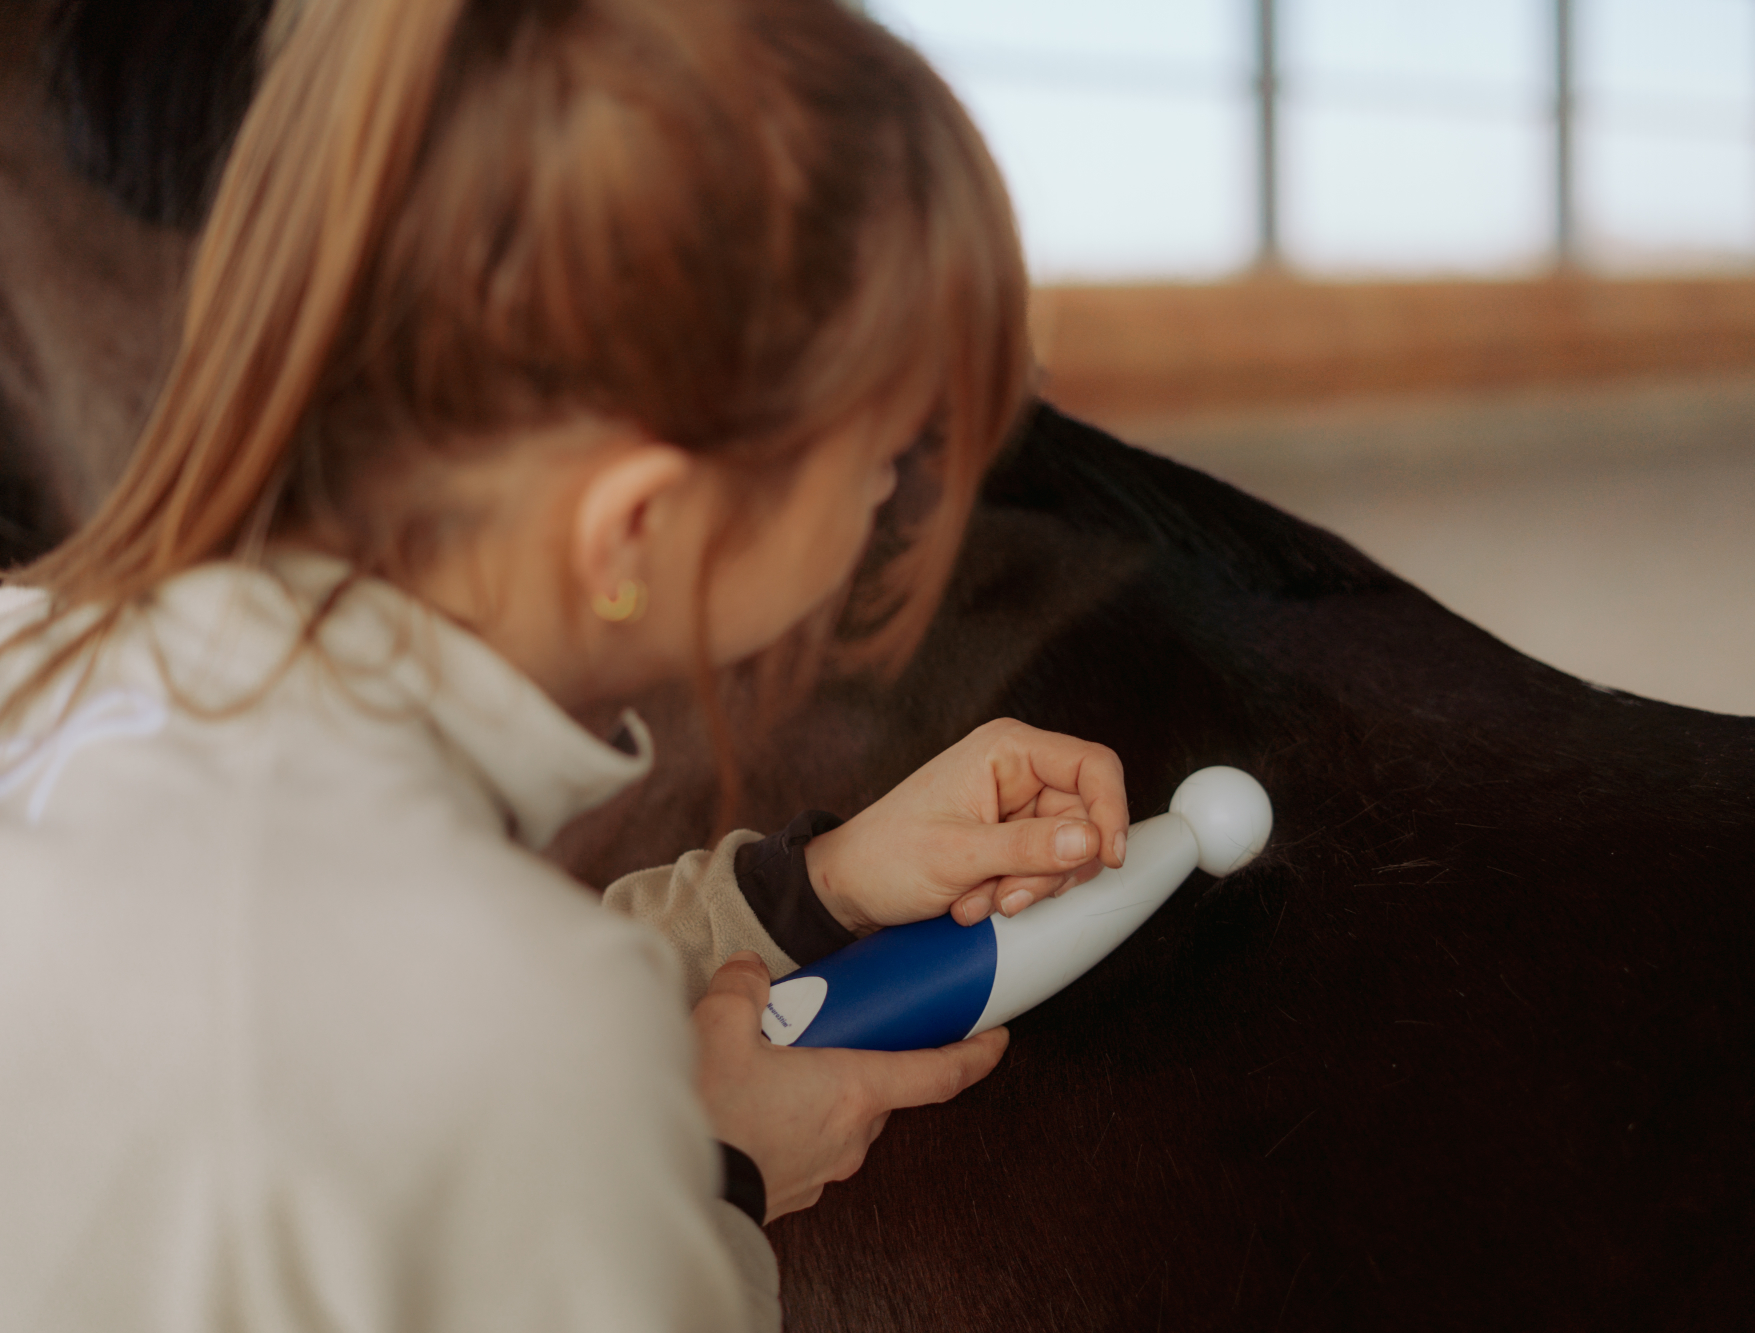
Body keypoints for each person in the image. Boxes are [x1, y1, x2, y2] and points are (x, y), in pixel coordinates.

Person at [0, 0, 1129, 1328]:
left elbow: (356, 1027)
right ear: (636, 526)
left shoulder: (38, 664)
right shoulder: (529, 1031)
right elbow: (462, 1034)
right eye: (879, 461)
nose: (887, 507)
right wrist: (715, 1182)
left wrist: (795, 897)